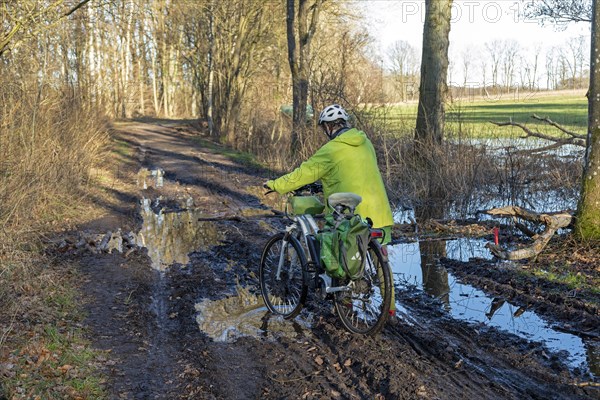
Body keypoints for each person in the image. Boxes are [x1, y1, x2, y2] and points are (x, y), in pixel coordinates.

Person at [265, 104, 396, 318]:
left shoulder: (331, 149)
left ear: (328, 127)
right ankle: (390, 312)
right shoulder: (366, 143)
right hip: (379, 214)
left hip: (349, 215)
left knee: (337, 257)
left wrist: (275, 185)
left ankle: (344, 309)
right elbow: (352, 172)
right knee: (382, 268)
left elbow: (302, 174)